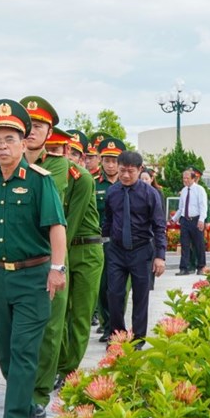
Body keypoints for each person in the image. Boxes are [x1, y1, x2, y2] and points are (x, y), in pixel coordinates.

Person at [0, 99, 67, 418]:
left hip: (32, 277)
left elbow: (56, 226)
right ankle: (26, 405)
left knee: (23, 350)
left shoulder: (39, 180)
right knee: (7, 355)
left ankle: (16, 414)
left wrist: (57, 268)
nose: (2, 146)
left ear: (23, 143)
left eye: (10, 139)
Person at [19, 96, 71, 418]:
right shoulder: (5, 166)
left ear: (49, 132)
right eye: (28, 125)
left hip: (47, 257)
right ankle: (21, 388)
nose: (32, 131)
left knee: (50, 329)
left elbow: (45, 205)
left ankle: (39, 392)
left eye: (38, 126)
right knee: (19, 332)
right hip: (16, 260)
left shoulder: (57, 165)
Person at [49, 130, 105, 394]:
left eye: (73, 152)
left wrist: (53, 260)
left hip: (85, 251)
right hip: (63, 250)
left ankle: (68, 371)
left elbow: (68, 226)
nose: (66, 156)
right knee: (59, 315)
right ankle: (58, 365)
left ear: (81, 157)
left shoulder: (82, 178)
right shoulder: (48, 177)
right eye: (61, 150)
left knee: (80, 316)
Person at [102, 150, 166, 347]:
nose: (126, 175)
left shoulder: (150, 194)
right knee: (114, 295)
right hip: (116, 250)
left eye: (130, 171)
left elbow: (159, 226)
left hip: (141, 250)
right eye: (122, 171)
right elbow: (108, 221)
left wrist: (160, 256)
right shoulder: (112, 192)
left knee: (140, 296)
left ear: (140, 169)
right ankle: (117, 336)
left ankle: (138, 339)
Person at [94, 137, 125, 342]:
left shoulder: (128, 183)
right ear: (101, 161)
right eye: (107, 160)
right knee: (104, 287)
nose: (111, 165)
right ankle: (107, 326)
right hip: (102, 241)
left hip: (124, 244)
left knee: (120, 289)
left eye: (114, 161)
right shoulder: (93, 183)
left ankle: (118, 327)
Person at [171, 169, 208, 275]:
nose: (185, 180)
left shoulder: (199, 190)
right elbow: (181, 208)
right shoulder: (183, 191)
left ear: (193, 179)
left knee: (199, 245)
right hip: (185, 221)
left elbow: (203, 206)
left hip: (196, 220)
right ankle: (184, 268)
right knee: (185, 245)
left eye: (187, 178)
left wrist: (201, 220)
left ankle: (201, 267)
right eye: (184, 178)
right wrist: (174, 219)